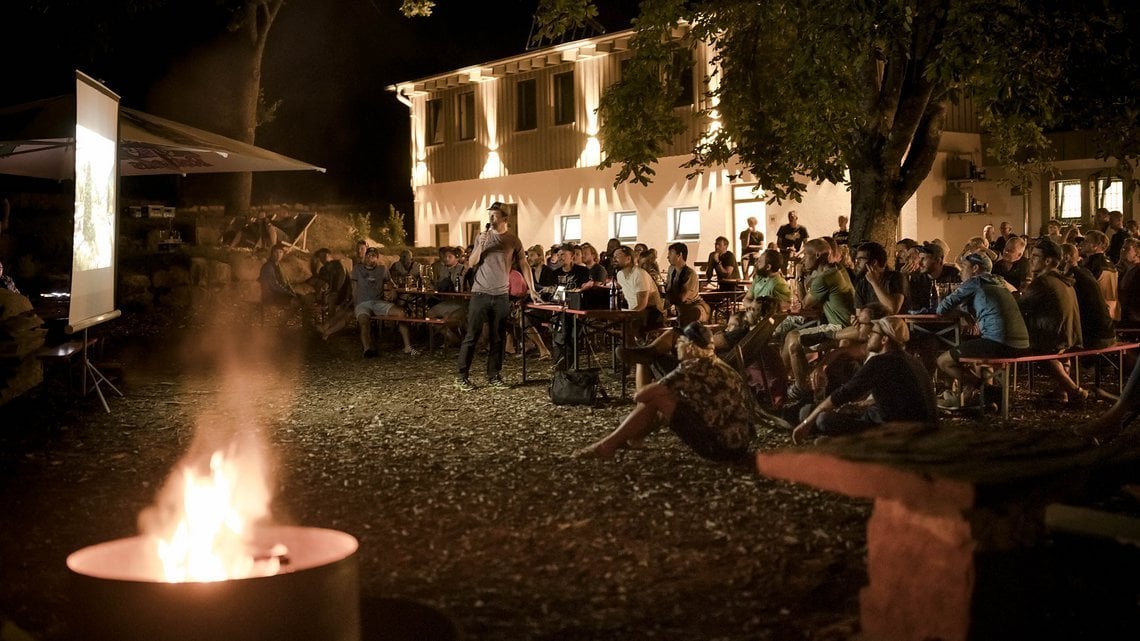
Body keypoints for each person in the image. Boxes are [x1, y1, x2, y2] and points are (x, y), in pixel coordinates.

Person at [574, 322, 761, 463]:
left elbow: (640, 396)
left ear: (689, 346)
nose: (676, 346)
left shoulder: (692, 368)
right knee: (667, 398)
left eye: (679, 342)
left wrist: (643, 362)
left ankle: (608, 445)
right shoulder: (718, 364)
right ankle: (631, 438)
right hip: (740, 444)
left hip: (720, 447)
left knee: (658, 398)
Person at [792, 317, 937, 444]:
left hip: (901, 433)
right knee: (809, 411)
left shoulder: (881, 362)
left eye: (873, 333)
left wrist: (805, 424)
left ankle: (850, 444)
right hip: (923, 427)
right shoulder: (911, 360)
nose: (869, 336)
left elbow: (842, 395)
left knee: (821, 419)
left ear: (884, 339)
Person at [455, 201, 540, 390]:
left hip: (501, 293)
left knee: (498, 337)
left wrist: (531, 288)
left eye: (494, 215)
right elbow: (472, 261)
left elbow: (524, 264)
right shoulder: (482, 236)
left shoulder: (513, 240)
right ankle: (462, 376)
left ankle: (494, 375)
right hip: (480, 292)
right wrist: (481, 245)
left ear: (504, 218)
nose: (491, 218)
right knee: (472, 335)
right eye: (490, 215)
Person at [934, 252, 1029, 407]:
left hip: (999, 342)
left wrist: (960, 310)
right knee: (976, 352)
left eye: (964, 267)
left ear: (975, 268)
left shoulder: (975, 282)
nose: (960, 272)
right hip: (1022, 344)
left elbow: (941, 308)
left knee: (943, 361)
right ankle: (978, 398)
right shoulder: (1000, 282)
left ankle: (986, 389)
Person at [1018, 238, 1086, 403]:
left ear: (1047, 260)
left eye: (1035, 256)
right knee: (1059, 353)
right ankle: (1061, 392)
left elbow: (1020, 308)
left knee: (1037, 351)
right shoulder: (1064, 280)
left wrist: (1018, 294)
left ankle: (1074, 391)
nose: (1030, 259)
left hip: (1053, 338)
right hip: (1071, 335)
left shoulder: (1042, 281)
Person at [352, 247, 418, 358]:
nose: (369, 258)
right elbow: (353, 288)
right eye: (368, 255)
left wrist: (392, 289)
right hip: (362, 303)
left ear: (377, 258)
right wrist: (355, 304)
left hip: (378, 302)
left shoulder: (382, 269)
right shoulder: (357, 269)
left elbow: (390, 282)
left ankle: (408, 347)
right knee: (364, 322)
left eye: (373, 256)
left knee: (401, 313)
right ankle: (367, 349)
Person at [613, 245, 665, 340]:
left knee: (629, 326)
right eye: (614, 256)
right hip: (634, 312)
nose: (614, 259)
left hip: (650, 313)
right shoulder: (619, 275)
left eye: (618, 256)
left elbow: (642, 304)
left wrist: (627, 316)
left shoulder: (639, 274)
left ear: (628, 258)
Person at [664, 242, 710, 326]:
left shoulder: (690, 274)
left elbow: (682, 297)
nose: (668, 257)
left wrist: (666, 301)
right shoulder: (671, 270)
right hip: (679, 307)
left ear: (679, 255)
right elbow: (669, 290)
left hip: (694, 306)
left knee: (685, 318)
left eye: (671, 253)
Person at [312, 248, 352, 340]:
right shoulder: (323, 269)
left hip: (344, 293)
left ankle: (329, 329)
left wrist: (335, 291)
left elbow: (341, 280)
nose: (323, 259)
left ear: (330, 256)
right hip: (331, 294)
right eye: (320, 257)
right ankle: (328, 329)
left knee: (332, 301)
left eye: (324, 256)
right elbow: (323, 281)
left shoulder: (338, 265)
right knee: (329, 299)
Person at [259, 242, 299, 309]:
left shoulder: (279, 266)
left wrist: (293, 293)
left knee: (299, 298)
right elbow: (274, 286)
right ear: (272, 254)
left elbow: (286, 282)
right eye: (276, 252)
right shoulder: (268, 267)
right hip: (270, 296)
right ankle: (284, 318)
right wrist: (289, 295)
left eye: (280, 252)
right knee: (294, 302)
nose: (278, 255)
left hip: (277, 293)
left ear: (283, 254)